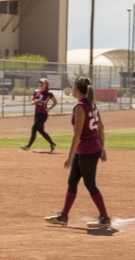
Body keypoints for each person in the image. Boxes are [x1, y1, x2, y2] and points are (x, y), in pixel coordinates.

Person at [45, 75, 111, 228]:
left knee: (90, 184)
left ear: (76, 88)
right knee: (72, 181)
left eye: (73, 86)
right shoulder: (91, 105)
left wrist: (69, 157)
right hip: (88, 149)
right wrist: (102, 147)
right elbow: (101, 128)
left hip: (87, 150)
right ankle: (63, 216)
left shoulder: (81, 106)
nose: (72, 88)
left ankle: (105, 218)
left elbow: (77, 134)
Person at [21, 77, 57, 152]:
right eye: (40, 82)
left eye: (42, 83)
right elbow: (32, 102)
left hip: (43, 114)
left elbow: (55, 102)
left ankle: (28, 146)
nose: (40, 84)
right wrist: (35, 102)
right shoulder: (36, 92)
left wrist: (49, 108)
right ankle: (52, 143)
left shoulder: (49, 94)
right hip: (37, 113)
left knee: (34, 129)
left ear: (46, 84)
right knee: (41, 131)